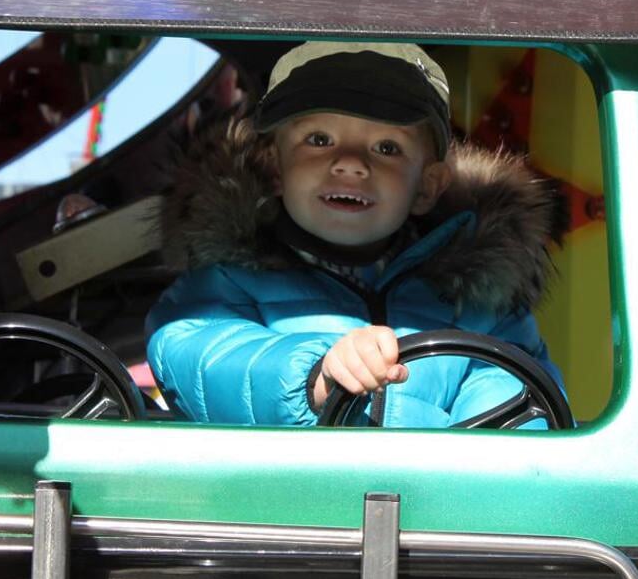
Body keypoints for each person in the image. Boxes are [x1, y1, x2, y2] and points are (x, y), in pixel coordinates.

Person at [145, 41, 565, 427]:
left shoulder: (475, 299)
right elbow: (194, 355)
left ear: (426, 186)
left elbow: (515, 385)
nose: (350, 163)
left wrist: (484, 450)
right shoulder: (231, 279)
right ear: (274, 167)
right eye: (319, 139)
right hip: (282, 505)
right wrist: (315, 375)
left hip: (431, 501)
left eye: (386, 148)